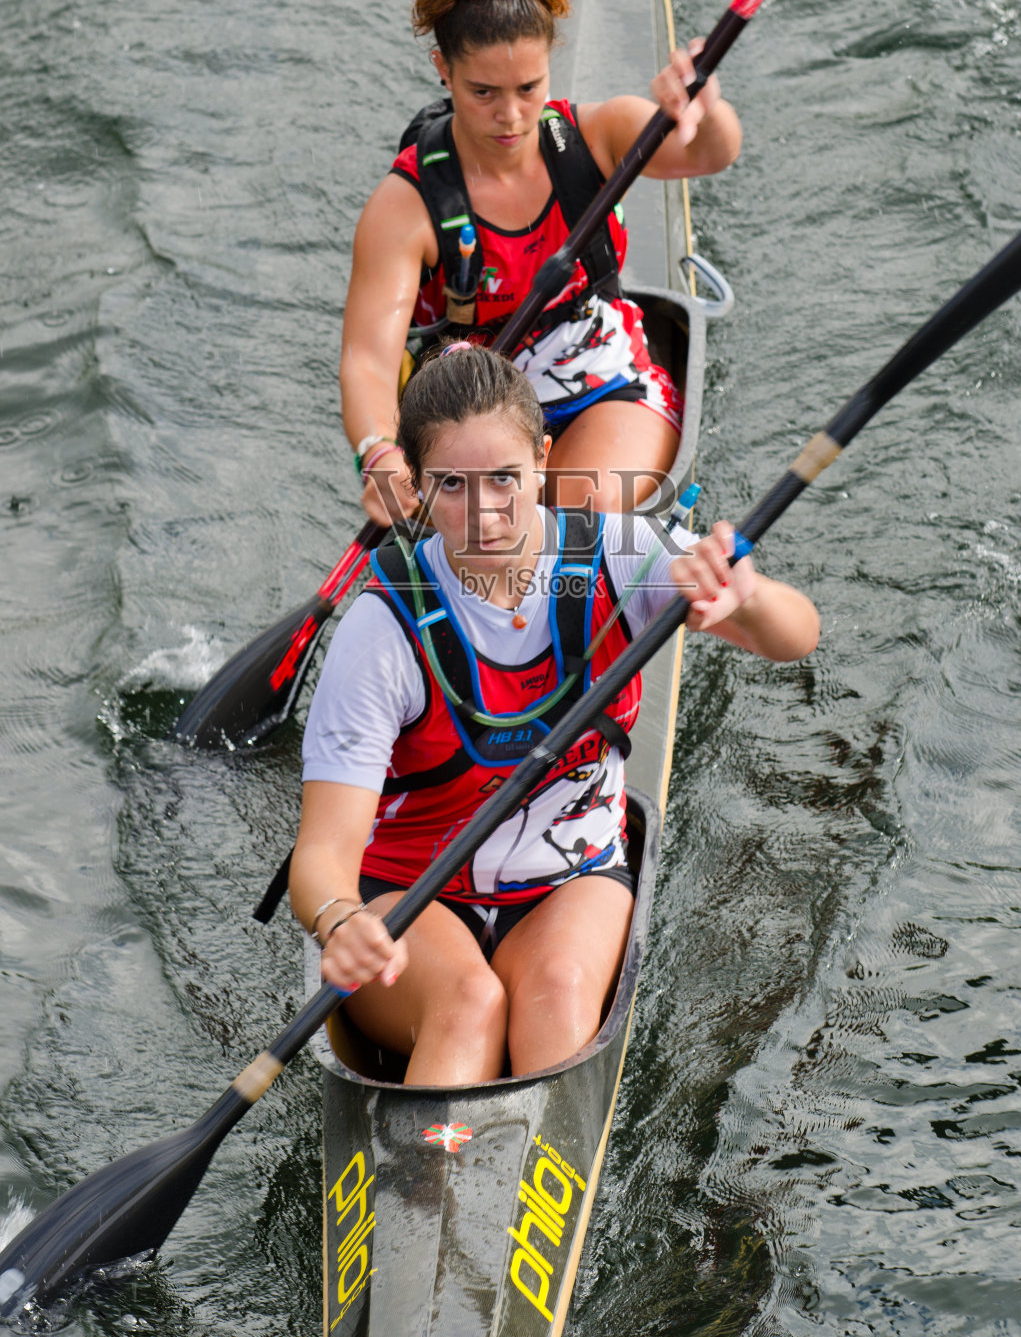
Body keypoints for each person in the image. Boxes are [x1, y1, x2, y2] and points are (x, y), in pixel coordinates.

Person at [290, 345, 818, 1087]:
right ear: (413, 486)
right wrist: (340, 919)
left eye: (505, 479)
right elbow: (319, 859)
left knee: (559, 997)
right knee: (469, 1005)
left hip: (569, 881)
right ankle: (427, 1188)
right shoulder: (380, 632)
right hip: (413, 893)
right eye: (451, 486)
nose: (484, 515)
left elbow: (798, 637)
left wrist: (749, 599)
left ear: (543, 459)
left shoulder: (619, 554)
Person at [341, 0, 742, 525]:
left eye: (529, 88)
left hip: (596, 374)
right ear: (443, 71)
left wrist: (702, 107)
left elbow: (711, 152)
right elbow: (369, 359)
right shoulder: (405, 207)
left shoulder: (599, 134)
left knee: (580, 509)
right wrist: (380, 453)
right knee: (496, 524)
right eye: (483, 93)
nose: (511, 117)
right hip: (471, 399)